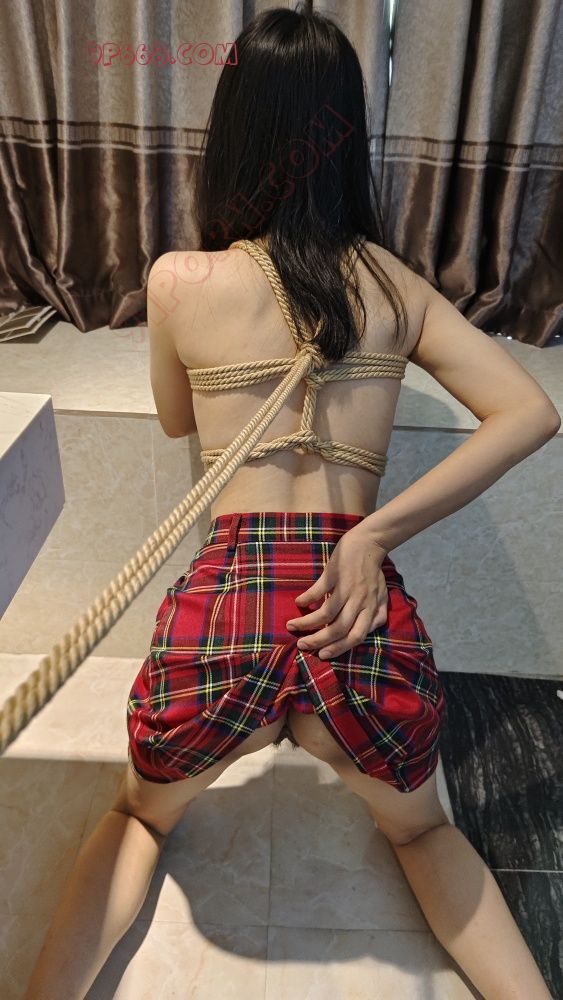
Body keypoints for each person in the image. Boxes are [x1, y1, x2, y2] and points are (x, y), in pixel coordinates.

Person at [24, 7, 559, 999]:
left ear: (233, 131)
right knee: (422, 832)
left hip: (227, 614)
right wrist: (373, 535)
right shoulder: (395, 287)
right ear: (345, 132)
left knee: (139, 814)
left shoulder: (179, 280)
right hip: (351, 618)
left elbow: (178, 422)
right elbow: (529, 411)